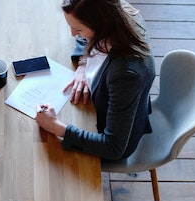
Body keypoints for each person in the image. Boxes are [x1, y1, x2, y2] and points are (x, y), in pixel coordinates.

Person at [35, 0, 155, 161]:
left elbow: (113, 147)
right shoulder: (117, 11)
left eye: (78, 29)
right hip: (105, 103)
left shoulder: (126, 74)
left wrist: (56, 127)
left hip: (110, 138)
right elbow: (84, 37)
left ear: (100, 24)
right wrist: (84, 63)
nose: (72, 34)